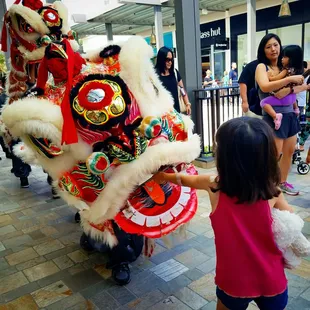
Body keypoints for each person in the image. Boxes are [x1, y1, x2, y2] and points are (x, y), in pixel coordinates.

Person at [153, 117, 291, 310]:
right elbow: (292, 223)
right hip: (272, 277)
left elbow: (184, 180)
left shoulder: (215, 186)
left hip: (233, 280)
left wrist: (161, 177)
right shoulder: (274, 193)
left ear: (224, 158)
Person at [255, 34, 309, 196]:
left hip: (290, 115)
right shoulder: (262, 67)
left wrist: (291, 87)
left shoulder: (287, 67)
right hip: (273, 116)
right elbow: (265, 87)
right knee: (273, 154)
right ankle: (267, 184)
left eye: (276, 45)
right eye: (268, 46)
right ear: (263, 50)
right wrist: (289, 81)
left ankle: (282, 182)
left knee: (289, 151)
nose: (273, 49)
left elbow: (299, 87)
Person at [259, 45, 304, 130]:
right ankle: (296, 108)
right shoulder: (298, 71)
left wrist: (269, 76)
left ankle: (275, 116)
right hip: (293, 98)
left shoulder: (286, 70)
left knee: (263, 103)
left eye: (285, 57)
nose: (282, 59)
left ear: (292, 58)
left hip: (284, 98)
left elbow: (276, 79)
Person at [155, 47, 191, 115]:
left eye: (171, 60)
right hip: (161, 114)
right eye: (167, 59)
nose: (170, 62)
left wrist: (187, 103)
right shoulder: (154, 75)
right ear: (161, 59)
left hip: (176, 113)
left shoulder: (175, 72)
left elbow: (182, 89)